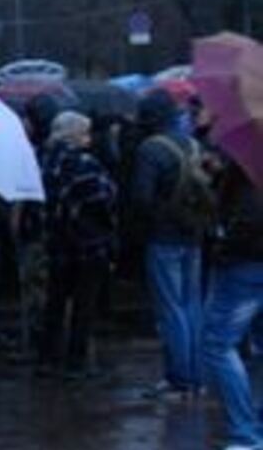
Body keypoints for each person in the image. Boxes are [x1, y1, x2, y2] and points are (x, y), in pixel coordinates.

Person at [131, 91, 210, 399]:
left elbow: (141, 197)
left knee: (170, 309)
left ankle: (178, 379)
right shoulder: (192, 144)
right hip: (193, 235)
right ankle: (196, 378)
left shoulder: (151, 149)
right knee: (192, 306)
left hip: (163, 238)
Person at [37, 111, 117, 380]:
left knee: (55, 302)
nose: (89, 137)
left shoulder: (44, 160)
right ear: (73, 134)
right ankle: (76, 361)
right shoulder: (86, 163)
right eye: (85, 132)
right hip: (88, 244)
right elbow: (104, 197)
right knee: (84, 305)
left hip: (57, 242)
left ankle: (47, 358)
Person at [202, 144, 263, 450]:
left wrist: (225, 248)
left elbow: (251, 217)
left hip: (248, 263)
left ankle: (246, 434)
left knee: (217, 344)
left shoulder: (251, 156)